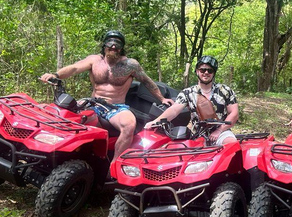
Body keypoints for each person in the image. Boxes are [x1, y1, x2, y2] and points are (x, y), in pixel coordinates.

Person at [40, 30, 175, 161]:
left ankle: (115, 165)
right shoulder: (94, 60)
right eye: (110, 42)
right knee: (63, 114)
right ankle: (50, 153)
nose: (114, 46)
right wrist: (56, 75)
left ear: (122, 48)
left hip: (116, 107)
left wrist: (162, 99)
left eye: (118, 44)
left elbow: (147, 82)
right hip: (93, 103)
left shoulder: (130, 65)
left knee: (129, 125)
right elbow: (75, 68)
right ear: (104, 45)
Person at [146, 55, 239, 145]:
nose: (206, 72)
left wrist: (219, 130)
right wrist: (155, 122)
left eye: (210, 70)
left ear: (213, 73)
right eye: (202, 70)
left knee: (231, 144)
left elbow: (234, 113)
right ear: (197, 71)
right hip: (198, 135)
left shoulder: (225, 90)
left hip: (222, 132)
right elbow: (174, 110)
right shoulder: (188, 93)